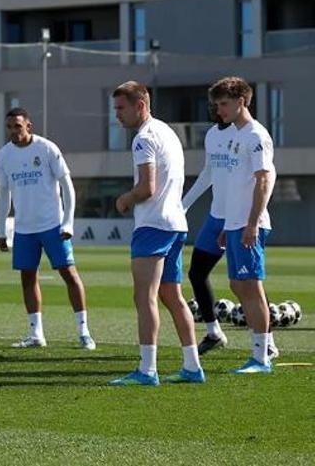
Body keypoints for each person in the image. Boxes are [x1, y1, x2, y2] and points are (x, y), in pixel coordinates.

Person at [109, 81, 204, 386]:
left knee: (144, 296)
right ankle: (192, 366)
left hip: (153, 225)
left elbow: (147, 188)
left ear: (140, 105)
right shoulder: (167, 132)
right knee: (172, 296)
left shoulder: (143, 138)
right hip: (176, 223)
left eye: (121, 108)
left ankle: (147, 369)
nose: (117, 115)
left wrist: (125, 199)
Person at [0, 108, 95, 350]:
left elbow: (67, 186)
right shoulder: (3, 156)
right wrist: (0, 229)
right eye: (9, 127)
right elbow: (3, 193)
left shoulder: (47, 148)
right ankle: (36, 334)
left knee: (69, 274)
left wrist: (68, 222)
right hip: (24, 229)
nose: (13, 131)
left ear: (28, 126)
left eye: (18, 126)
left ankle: (84, 333)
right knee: (27, 278)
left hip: (52, 226)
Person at [211, 77, 277, 374]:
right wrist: (230, 225)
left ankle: (262, 357)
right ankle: (266, 346)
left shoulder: (256, 136)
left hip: (251, 224)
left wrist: (251, 224)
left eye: (224, 104)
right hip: (236, 224)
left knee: (250, 285)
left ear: (242, 101)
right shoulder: (236, 135)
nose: (219, 110)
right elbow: (238, 184)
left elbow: (264, 181)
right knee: (237, 285)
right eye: (217, 105)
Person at [181, 101, 236, 354]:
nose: (215, 109)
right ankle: (214, 333)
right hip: (215, 218)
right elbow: (208, 174)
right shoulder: (212, 135)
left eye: (221, 103)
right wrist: (183, 206)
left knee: (245, 283)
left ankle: (267, 345)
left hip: (238, 220)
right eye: (212, 104)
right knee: (197, 273)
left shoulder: (246, 133)